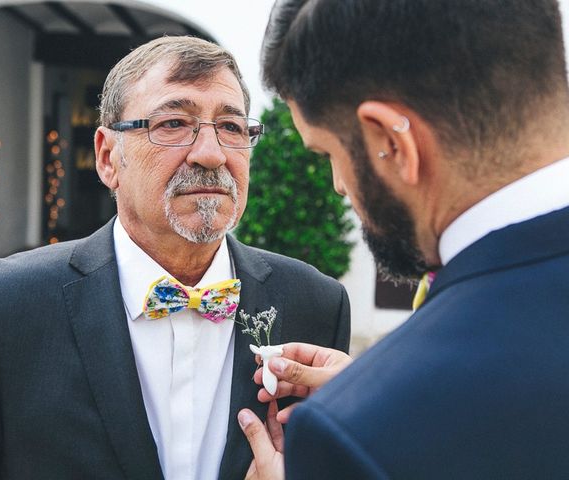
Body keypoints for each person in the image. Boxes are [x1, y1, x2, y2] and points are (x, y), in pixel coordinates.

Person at [0, 36, 351, 479]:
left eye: (231, 127)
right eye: (172, 123)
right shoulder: (4, 308)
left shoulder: (316, 305)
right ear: (108, 157)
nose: (212, 154)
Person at [238, 0, 569, 478]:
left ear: (391, 143)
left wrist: (373, 408)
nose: (337, 184)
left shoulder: (352, 438)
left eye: (329, 152)